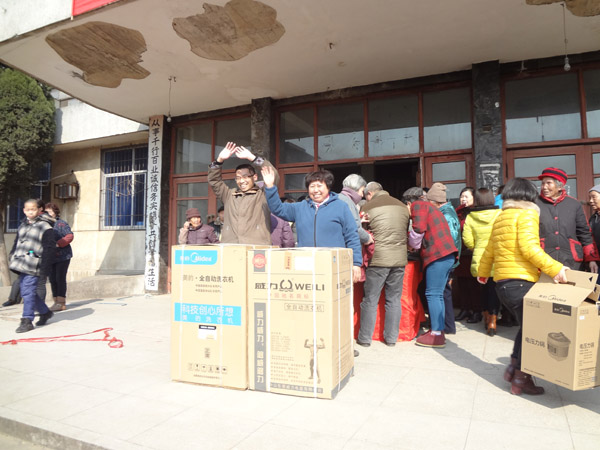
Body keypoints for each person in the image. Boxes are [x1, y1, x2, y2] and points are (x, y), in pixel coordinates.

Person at [478, 178, 568, 396]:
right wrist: (556, 268)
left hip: (503, 284)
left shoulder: (502, 216)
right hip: (520, 281)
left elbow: (489, 249)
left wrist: (483, 272)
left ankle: (514, 369)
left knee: (527, 327)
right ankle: (521, 378)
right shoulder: (527, 213)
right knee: (533, 331)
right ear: (529, 195)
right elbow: (529, 248)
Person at [261, 167, 362, 281]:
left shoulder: (341, 207)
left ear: (328, 187)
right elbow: (277, 208)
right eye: (312, 186)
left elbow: (352, 235)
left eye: (319, 186)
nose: (315, 190)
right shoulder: (300, 207)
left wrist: (356, 263)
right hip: (306, 265)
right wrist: (270, 187)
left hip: (332, 265)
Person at [402, 188, 458, 348]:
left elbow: (418, 229)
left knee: (432, 294)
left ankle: (436, 334)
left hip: (437, 254)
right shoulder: (431, 207)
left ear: (408, 203)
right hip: (446, 254)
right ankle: (438, 330)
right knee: (438, 294)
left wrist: (411, 245)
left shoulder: (418, 205)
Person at [356, 181, 410, 347]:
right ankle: (391, 339)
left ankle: (365, 338)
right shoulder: (402, 206)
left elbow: (362, 232)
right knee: (394, 299)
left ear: (369, 193)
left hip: (378, 259)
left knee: (370, 299)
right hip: (399, 258)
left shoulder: (368, 207)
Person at [208, 142, 277, 245]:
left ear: (254, 177)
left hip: (257, 248)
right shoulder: (229, 195)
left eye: (245, 177)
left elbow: (272, 175)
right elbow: (214, 181)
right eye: (238, 178)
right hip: (231, 247)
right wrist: (219, 161)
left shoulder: (262, 195)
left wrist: (252, 158)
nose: (241, 181)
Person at [536, 167, 598, 273]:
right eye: (543, 183)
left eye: (549, 183)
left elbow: (584, 233)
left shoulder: (574, 204)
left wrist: (591, 259)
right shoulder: (535, 204)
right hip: (543, 262)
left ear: (560, 186)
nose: (544, 187)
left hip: (572, 261)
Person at [9, 199, 56, 333]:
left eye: (33, 209)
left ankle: (27, 320)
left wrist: (45, 269)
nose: (30, 212)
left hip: (34, 264)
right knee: (27, 291)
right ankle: (45, 312)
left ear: (39, 210)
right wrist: (12, 255)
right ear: (24, 210)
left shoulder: (45, 227)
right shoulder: (23, 225)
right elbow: (17, 242)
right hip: (21, 263)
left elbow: (49, 248)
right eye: (28, 209)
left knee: (28, 291)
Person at [462, 188, 501, 335]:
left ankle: (486, 318)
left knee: (483, 290)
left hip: (480, 258)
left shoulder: (471, 217)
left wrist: (476, 247)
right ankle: (493, 321)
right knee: (494, 290)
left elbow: (467, 240)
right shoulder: (500, 214)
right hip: (497, 257)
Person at [426, 183, 461, 335]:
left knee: (437, 294)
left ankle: (440, 329)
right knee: (441, 293)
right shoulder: (445, 212)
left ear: (435, 202)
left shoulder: (446, 215)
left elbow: (451, 239)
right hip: (447, 258)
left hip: (443, 257)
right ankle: (443, 327)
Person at [453, 187, 481, 323]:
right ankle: (465, 309)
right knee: (462, 283)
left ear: (474, 198)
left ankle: (477, 311)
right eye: (461, 196)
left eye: (466, 197)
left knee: (474, 285)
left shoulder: (476, 212)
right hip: (461, 253)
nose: (463, 199)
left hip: (472, 253)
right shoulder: (458, 212)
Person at [45, 203, 74, 311]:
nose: (48, 214)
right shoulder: (44, 225)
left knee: (60, 278)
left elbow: (69, 236)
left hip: (63, 256)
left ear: (55, 212)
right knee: (52, 279)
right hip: (50, 257)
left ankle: (61, 302)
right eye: (46, 212)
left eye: (50, 211)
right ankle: (55, 301)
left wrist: (58, 244)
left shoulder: (61, 224)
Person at [338, 174, 373, 247]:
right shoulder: (348, 202)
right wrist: (367, 238)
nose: (362, 195)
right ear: (356, 188)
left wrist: (359, 221)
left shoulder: (337, 198)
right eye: (362, 191)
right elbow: (354, 228)